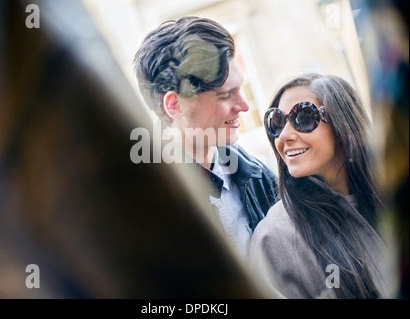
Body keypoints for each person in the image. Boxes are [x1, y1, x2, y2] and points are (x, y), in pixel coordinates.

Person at [133, 17, 278, 261]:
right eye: (225, 96)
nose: (243, 106)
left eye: (240, 89)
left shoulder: (260, 176)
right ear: (174, 105)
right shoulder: (136, 206)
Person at [249, 73, 394, 298]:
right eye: (277, 122)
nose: (284, 136)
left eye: (304, 117)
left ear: (341, 125)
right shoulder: (275, 239)